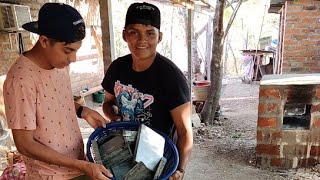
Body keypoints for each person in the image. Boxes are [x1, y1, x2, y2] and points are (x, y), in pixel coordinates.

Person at [3, 3, 113, 180]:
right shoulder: (21, 80)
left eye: (76, 51)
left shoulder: (59, 64)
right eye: (68, 51)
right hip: (50, 175)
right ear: (45, 41)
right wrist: (81, 165)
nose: (73, 59)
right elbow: (24, 144)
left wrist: (82, 110)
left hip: (78, 164)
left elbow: (55, 98)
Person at [101, 2, 193, 180]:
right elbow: (108, 103)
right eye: (134, 32)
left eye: (150, 33)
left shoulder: (172, 77)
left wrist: (179, 170)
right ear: (124, 35)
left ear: (160, 37)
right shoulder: (117, 68)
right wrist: (114, 116)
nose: (142, 40)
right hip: (123, 154)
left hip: (158, 160)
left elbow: (184, 132)